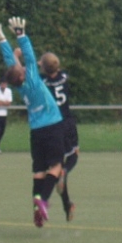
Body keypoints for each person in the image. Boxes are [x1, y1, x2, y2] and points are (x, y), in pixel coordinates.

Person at [0, 17, 65, 228]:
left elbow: (10, 62)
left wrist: (2, 39)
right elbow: (30, 56)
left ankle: (36, 209)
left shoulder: (18, 85)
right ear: (23, 75)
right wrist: (20, 34)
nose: (23, 67)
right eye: (22, 68)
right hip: (52, 125)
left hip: (36, 131)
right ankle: (43, 200)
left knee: (39, 171)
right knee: (56, 166)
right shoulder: (31, 80)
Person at [40, 51, 80, 222]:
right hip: (67, 123)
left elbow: (40, 71)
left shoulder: (42, 82)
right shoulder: (64, 77)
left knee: (55, 168)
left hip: (51, 125)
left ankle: (66, 205)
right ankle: (65, 172)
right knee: (73, 156)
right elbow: (54, 67)